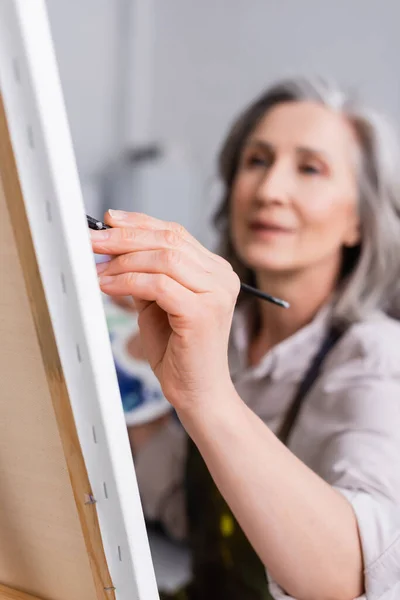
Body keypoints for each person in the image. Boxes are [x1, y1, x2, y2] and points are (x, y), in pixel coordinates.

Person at [90, 76, 400, 600]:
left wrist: (205, 395)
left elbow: (354, 578)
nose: (269, 190)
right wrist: (111, 361)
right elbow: (178, 503)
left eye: (310, 168)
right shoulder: (224, 338)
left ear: (357, 221)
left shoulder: (378, 357)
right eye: (256, 161)